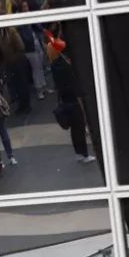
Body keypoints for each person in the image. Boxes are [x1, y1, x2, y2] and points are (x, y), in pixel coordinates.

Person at [48, 35, 97, 164]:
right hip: (73, 98)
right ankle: (84, 154)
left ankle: (79, 153)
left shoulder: (54, 65)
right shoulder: (64, 64)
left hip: (65, 99)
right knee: (79, 126)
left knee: (75, 129)